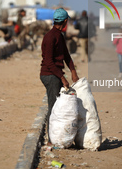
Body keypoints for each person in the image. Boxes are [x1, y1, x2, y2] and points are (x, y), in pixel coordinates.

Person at [40, 8, 79, 144]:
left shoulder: (59, 36)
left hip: (54, 74)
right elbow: (49, 62)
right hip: (50, 75)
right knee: (53, 107)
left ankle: (55, 136)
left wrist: (73, 71)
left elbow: (66, 55)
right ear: (66, 21)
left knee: (55, 106)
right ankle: (52, 139)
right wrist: (62, 78)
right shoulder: (51, 37)